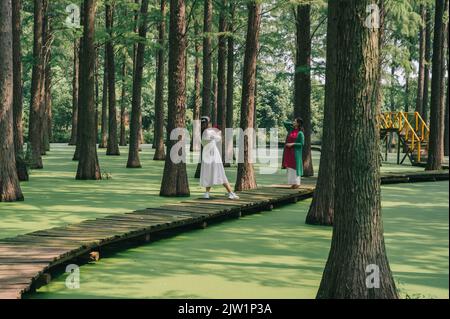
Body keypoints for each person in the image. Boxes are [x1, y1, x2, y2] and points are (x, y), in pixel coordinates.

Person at [200, 116, 239, 200]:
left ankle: (206, 193)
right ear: (208, 123)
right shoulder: (209, 131)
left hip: (206, 155)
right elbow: (219, 138)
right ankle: (231, 193)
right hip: (213, 154)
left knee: (209, 173)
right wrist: (218, 132)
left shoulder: (202, 132)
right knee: (221, 173)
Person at [281, 118, 304, 189]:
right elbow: (284, 122)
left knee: (295, 167)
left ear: (298, 123)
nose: (293, 122)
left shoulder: (300, 133)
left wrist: (293, 144)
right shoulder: (291, 130)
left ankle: (297, 183)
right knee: (290, 167)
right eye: (293, 121)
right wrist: (292, 124)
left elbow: (302, 144)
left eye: (295, 121)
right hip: (289, 153)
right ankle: (293, 183)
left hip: (296, 153)